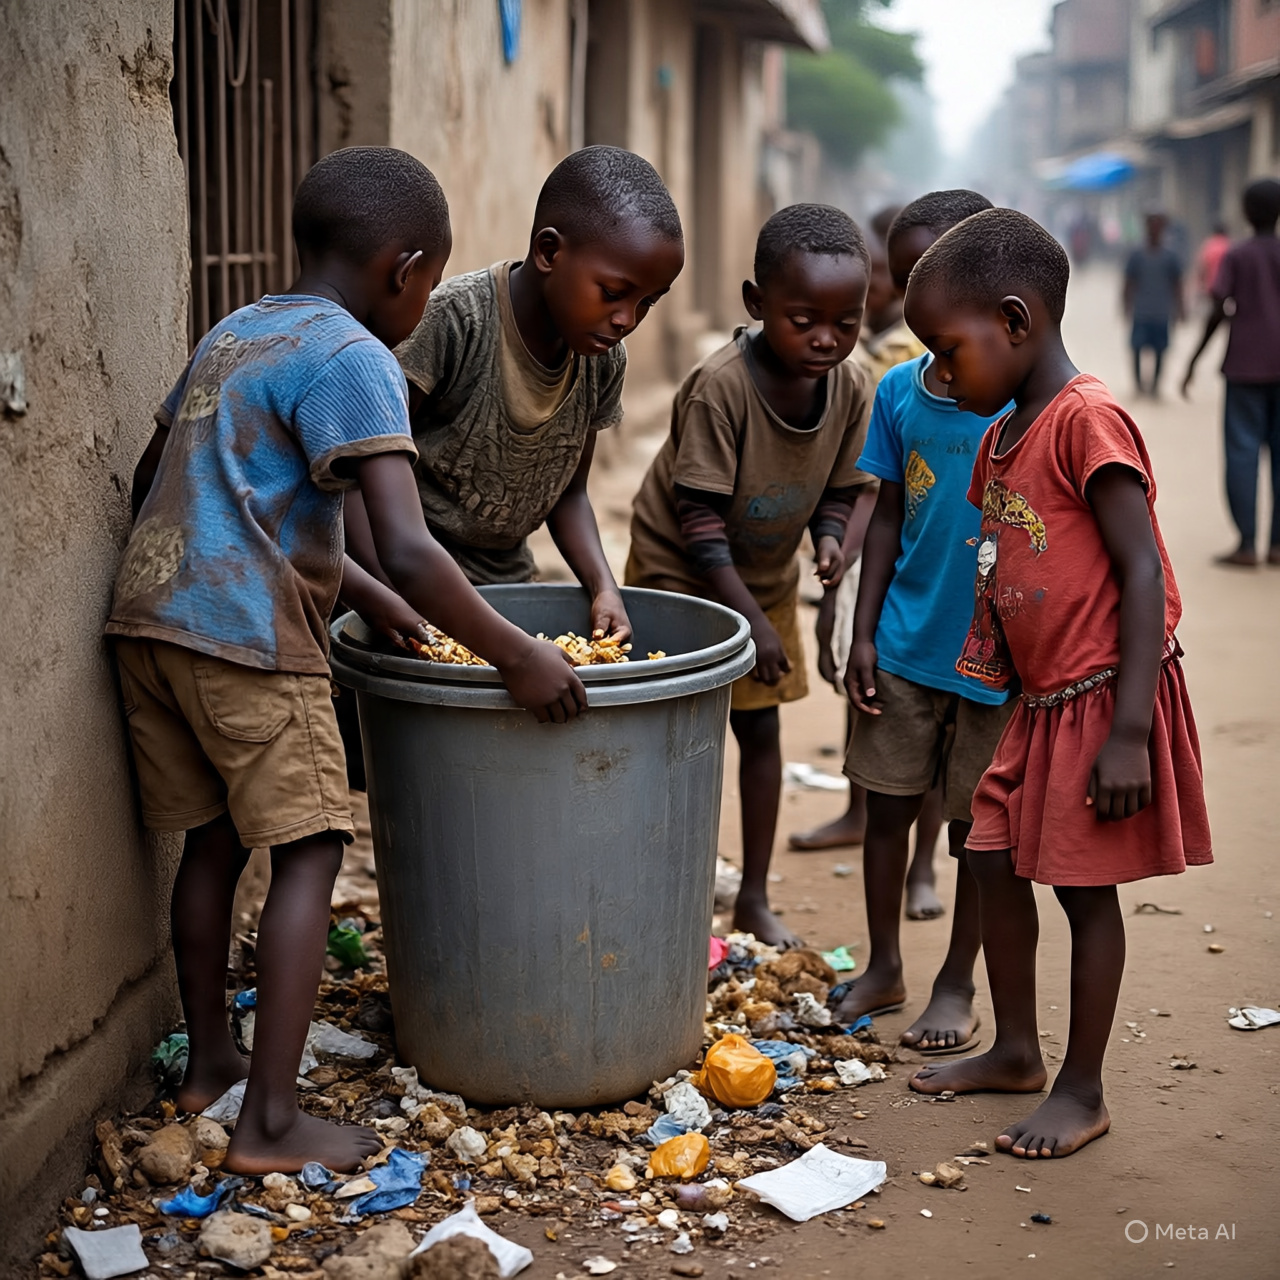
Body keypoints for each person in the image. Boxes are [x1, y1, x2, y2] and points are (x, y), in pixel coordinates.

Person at [106, 148, 586, 1174]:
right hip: (248, 644)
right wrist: (513, 654)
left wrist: (363, 596)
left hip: (150, 623)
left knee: (212, 842)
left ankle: (209, 1065)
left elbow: (179, 478)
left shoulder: (236, 330)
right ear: (405, 269)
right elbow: (409, 542)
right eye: (427, 278)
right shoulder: (358, 356)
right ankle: (269, 1121)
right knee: (314, 846)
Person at [904, 207, 1212, 1158]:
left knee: (1084, 893)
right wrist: (986, 674)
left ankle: (1083, 1090)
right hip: (1034, 705)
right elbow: (1001, 568)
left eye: (950, 352)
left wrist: (1127, 733)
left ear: (1016, 318)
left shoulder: (1088, 420)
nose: (941, 376)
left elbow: (1143, 570)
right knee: (987, 854)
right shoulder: (1001, 436)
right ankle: (1018, 1051)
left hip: (1102, 697)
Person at [626, 204, 876, 948]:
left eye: (846, 321)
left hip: (762, 577)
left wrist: (830, 540)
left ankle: (754, 897)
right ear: (756, 304)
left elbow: (842, 486)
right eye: (804, 320)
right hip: (680, 572)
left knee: (760, 731)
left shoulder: (853, 387)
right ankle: (659, 885)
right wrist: (752, 624)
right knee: (674, 738)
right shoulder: (721, 388)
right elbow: (697, 524)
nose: (826, 339)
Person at [345, 146, 686, 645]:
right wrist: (390, 594)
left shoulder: (602, 358)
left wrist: (604, 587)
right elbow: (357, 472)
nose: (627, 320)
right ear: (549, 252)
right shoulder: (455, 323)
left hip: (502, 583)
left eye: (646, 304)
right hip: (404, 578)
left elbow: (568, 493)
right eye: (613, 293)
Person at [830, 190, 1015, 1051]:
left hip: (992, 664)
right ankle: (885, 963)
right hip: (903, 645)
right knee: (886, 808)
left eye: (934, 281)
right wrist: (863, 633)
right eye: (904, 281)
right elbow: (892, 515)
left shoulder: (1024, 403)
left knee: (979, 834)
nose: (915, 303)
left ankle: (955, 981)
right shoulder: (899, 389)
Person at [788, 217, 928, 869]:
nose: (887, 288)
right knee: (865, 678)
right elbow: (868, 481)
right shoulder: (878, 353)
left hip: (923, 549)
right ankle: (861, 810)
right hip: (874, 537)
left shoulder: (899, 359)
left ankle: (919, 858)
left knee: (923, 703)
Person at [1182, 178, 1280, 567]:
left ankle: (1246, 544)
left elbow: (1219, 308)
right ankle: (1276, 545)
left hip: (1244, 369)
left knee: (1241, 455)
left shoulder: (1238, 256)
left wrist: (1194, 360)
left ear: (1247, 212)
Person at [1123, 213, 1184, 398]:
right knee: (1136, 348)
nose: (1155, 229)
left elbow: (1177, 284)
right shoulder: (1136, 255)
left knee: (1160, 350)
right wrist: (1126, 305)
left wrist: (1180, 309)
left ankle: (1155, 386)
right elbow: (1128, 282)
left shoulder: (1170, 256)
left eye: (1159, 225)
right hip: (1141, 311)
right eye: (1152, 225)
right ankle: (1139, 386)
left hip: (1161, 311)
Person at [1195, 220, 1231, 300]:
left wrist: (1201, 286)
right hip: (1226, 288)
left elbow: (1202, 268)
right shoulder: (1229, 246)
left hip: (1211, 288)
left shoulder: (1208, 246)